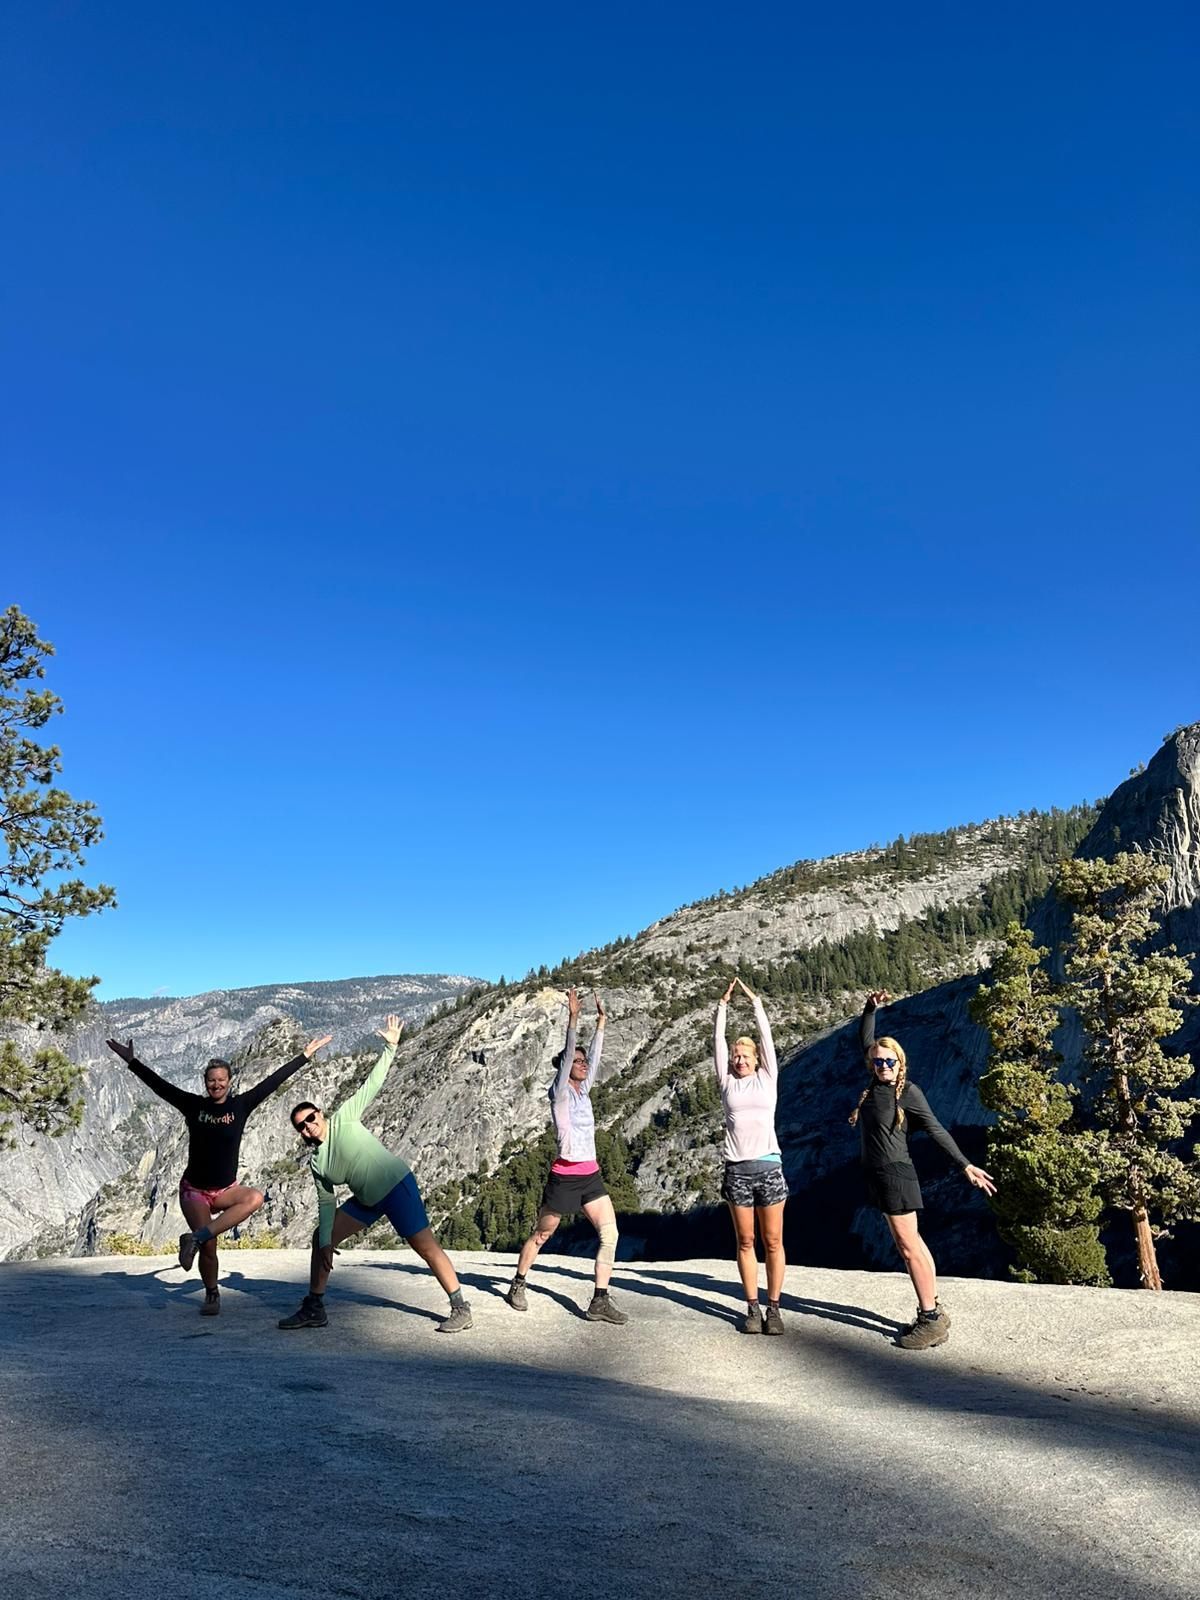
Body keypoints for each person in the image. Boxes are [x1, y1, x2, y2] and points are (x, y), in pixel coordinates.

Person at [106, 1030, 331, 1315]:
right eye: (211, 1080)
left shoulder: (241, 1106)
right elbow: (159, 1086)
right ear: (205, 1083)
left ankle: (194, 1239)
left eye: (221, 1080)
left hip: (225, 1190)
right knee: (210, 1245)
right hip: (195, 1190)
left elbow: (273, 1082)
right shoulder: (193, 1105)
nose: (216, 1085)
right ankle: (212, 1293)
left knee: (254, 1198)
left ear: (229, 1082)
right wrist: (132, 1062)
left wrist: (304, 1056)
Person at [278, 1014, 472, 1334]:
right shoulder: (317, 1162)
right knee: (319, 1238)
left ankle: (460, 1307)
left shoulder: (345, 1118)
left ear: (320, 1114)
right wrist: (327, 1241)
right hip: (368, 1201)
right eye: (301, 1125)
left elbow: (373, 1083)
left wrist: (391, 1047)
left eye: (310, 1117)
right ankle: (314, 1306)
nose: (308, 1125)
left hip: (396, 1187)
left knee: (424, 1246)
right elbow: (326, 1204)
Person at [851, 990, 996, 1349]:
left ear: (902, 1063)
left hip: (896, 1175)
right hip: (880, 1175)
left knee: (908, 1247)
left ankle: (929, 1317)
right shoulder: (874, 1084)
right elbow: (867, 1039)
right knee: (913, 1244)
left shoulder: (908, 1093)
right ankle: (933, 1311)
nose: (883, 1066)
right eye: (878, 1062)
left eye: (890, 1062)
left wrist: (965, 1165)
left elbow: (936, 1129)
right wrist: (870, 1007)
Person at [504, 988, 627, 1324]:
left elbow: (596, 1058)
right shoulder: (560, 1094)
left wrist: (601, 1022)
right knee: (542, 1234)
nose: (584, 1063)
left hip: (590, 1175)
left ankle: (599, 1300)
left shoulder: (583, 1090)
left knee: (610, 1235)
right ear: (563, 1067)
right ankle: (518, 1283)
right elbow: (569, 1052)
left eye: (584, 1061)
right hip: (565, 1175)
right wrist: (573, 1019)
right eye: (577, 1061)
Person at [714, 976, 788, 1334]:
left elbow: (767, 1038)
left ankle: (774, 1308)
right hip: (737, 1172)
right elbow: (716, 1043)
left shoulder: (768, 1077)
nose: (739, 1059)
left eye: (745, 1055)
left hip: (769, 1167)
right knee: (745, 1241)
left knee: (773, 1241)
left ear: (757, 1058)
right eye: (735, 1056)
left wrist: (756, 1003)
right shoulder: (726, 1081)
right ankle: (752, 1308)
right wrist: (723, 1007)